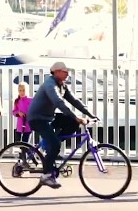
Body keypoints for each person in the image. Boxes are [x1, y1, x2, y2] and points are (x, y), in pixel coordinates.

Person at [26, 61, 96, 189]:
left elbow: (75, 101)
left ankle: (51, 147)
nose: (67, 73)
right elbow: (58, 102)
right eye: (65, 71)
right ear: (56, 71)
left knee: (71, 124)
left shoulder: (62, 85)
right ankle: (46, 176)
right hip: (37, 118)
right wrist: (76, 116)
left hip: (48, 118)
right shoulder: (50, 84)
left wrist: (90, 114)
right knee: (56, 143)